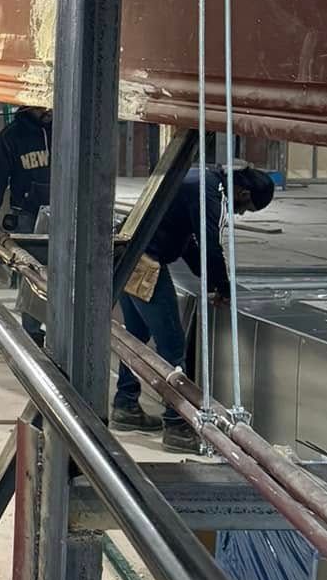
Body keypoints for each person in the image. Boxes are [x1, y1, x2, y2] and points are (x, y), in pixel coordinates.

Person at [113, 163, 276, 448]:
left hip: (126, 255)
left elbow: (187, 240)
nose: (239, 213)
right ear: (243, 191)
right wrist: (224, 286)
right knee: (173, 348)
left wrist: (212, 281)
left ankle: (125, 406)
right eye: (245, 208)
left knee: (135, 337)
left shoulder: (196, 177)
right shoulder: (211, 191)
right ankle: (177, 426)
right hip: (145, 262)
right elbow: (210, 245)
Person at [0, 104, 52, 233]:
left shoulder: (67, 132)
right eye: (40, 108)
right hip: (25, 213)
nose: (48, 111)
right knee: (26, 251)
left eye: (50, 107)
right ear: (28, 107)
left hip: (65, 211)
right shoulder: (12, 136)